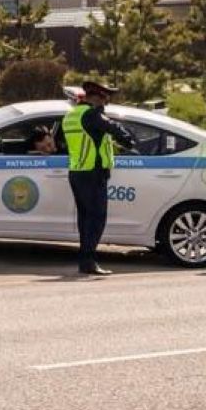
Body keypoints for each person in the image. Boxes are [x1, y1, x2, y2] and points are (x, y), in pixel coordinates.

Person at [62, 81, 135, 275]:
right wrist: (129, 141)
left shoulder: (71, 116)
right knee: (96, 218)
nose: (106, 104)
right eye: (105, 99)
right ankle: (88, 261)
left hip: (76, 172)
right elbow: (113, 127)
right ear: (97, 97)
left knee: (85, 218)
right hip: (92, 174)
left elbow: (86, 139)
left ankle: (85, 260)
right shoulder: (92, 115)